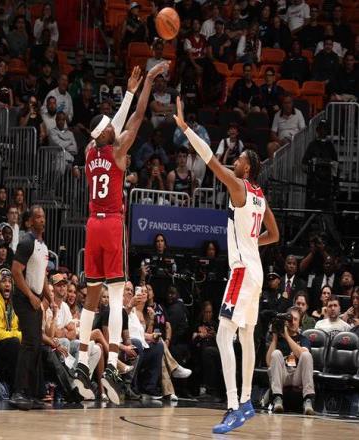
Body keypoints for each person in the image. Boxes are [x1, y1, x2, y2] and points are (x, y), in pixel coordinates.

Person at [174, 96, 279, 433]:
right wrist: (251, 243)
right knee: (246, 336)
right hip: (256, 270)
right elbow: (275, 234)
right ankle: (246, 402)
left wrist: (185, 128)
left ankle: (233, 404)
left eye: (240, 159)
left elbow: (209, 159)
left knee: (222, 335)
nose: (234, 161)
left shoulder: (239, 187)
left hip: (242, 270)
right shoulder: (260, 195)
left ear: (247, 168)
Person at [74, 61, 169, 405]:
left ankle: (81, 364)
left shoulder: (90, 153)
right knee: (116, 299)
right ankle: (113, 366)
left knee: (90, 299)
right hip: (112, 224)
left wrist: (128, 91)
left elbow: (109, 126)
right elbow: (138, 116)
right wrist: (147, 82)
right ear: (106, 134)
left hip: (92, 225)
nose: (115, 127)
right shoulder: (117, 151)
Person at [9, 206, 50, 410]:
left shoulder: (43, 246)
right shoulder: (26, 242)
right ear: (30, 221)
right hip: (24, 299)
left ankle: (32, 393)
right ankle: (18, 392)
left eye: (43, 216)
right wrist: (31, 296)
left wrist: (48, 296)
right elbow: (16, 272)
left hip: (36, 299)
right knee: (29, 343)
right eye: (38, 217)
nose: (42, 219)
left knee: (36, 345)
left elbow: (42, 275)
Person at [266, 306, 315, 415]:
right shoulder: (278, 339)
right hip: (282, 375)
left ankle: (308, 400)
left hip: (297, 375)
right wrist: (275, 338)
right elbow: (269, 362)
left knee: (306, 355)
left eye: (295, 319)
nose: (292, 322)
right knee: (276, 353)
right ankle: (277, 399)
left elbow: (302, 355)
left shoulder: (303, 339)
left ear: (299, 323)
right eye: (290, 318)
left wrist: (287, 336)